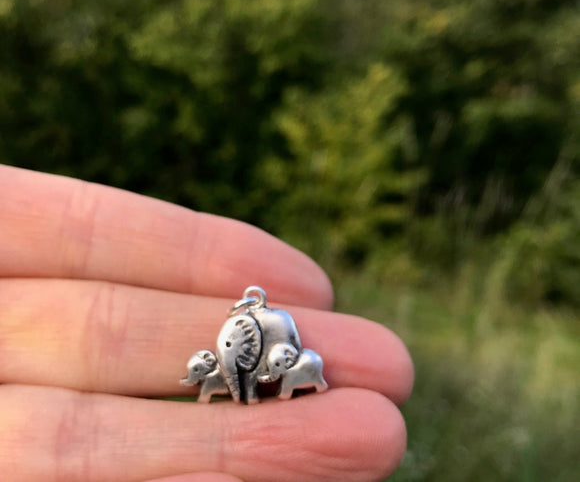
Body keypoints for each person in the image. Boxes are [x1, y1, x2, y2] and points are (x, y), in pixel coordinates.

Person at [0, 165, 413, 482]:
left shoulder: (276, 327)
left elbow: (267, 353)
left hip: (272, 355)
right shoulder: (239, 337)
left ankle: (274, 388)